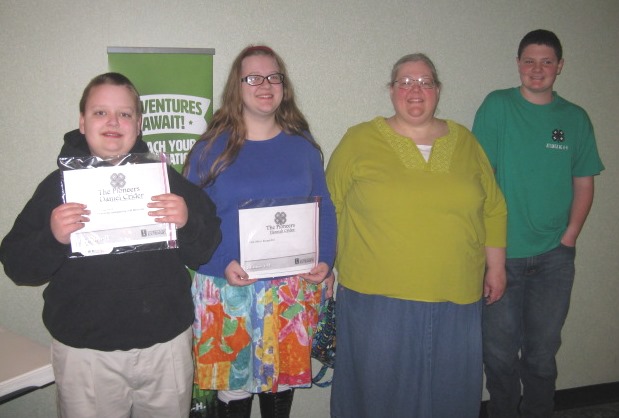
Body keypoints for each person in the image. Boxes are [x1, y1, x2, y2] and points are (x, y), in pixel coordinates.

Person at [0, 72, 222, 418]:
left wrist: (187, 222)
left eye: (125, 113)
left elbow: (205, 250)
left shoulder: (165, 180)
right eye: (100, 112)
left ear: (139, 124)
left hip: (165, 347)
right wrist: (52, 237)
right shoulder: (58, 187)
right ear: (82, 122)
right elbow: (17, 266)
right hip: (86, 354)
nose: (113, 122)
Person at [325, 53, 508, 418]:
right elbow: (329, 208)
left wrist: (497, 268)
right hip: (377, 299)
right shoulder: (359, 140)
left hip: (456, 294)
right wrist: (325, 264)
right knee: (378, 395)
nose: (415, 90)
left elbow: (493, 208)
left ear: (437, 90)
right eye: (405, 82)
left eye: (425, 82)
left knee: (449, 395)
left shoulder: (465, 140)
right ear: (391, 90)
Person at [184, 45, 337, 418]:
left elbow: (324, 208)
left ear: (284, 85)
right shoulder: (210, 149)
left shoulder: (302, 145)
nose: (265, 85)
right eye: (253, 77)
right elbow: (190, 223)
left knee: (281, 385)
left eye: (273, 77)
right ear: (236, 87)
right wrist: (221, 263)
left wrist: (325, 259)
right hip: (229, 288)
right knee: (234, 386)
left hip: (291, 290)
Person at [472, 29, 605, 418]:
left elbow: (584, 183)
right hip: (501, 257)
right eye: (529, 60)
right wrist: (490, 253)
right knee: (498, 356)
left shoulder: (574, 118)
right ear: (518, 64)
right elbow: (481, 180)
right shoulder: (497, 106)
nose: (537, 69)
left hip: (554, 259)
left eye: (546, 61)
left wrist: (569, 237)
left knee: (542, 356)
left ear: (559, 66)